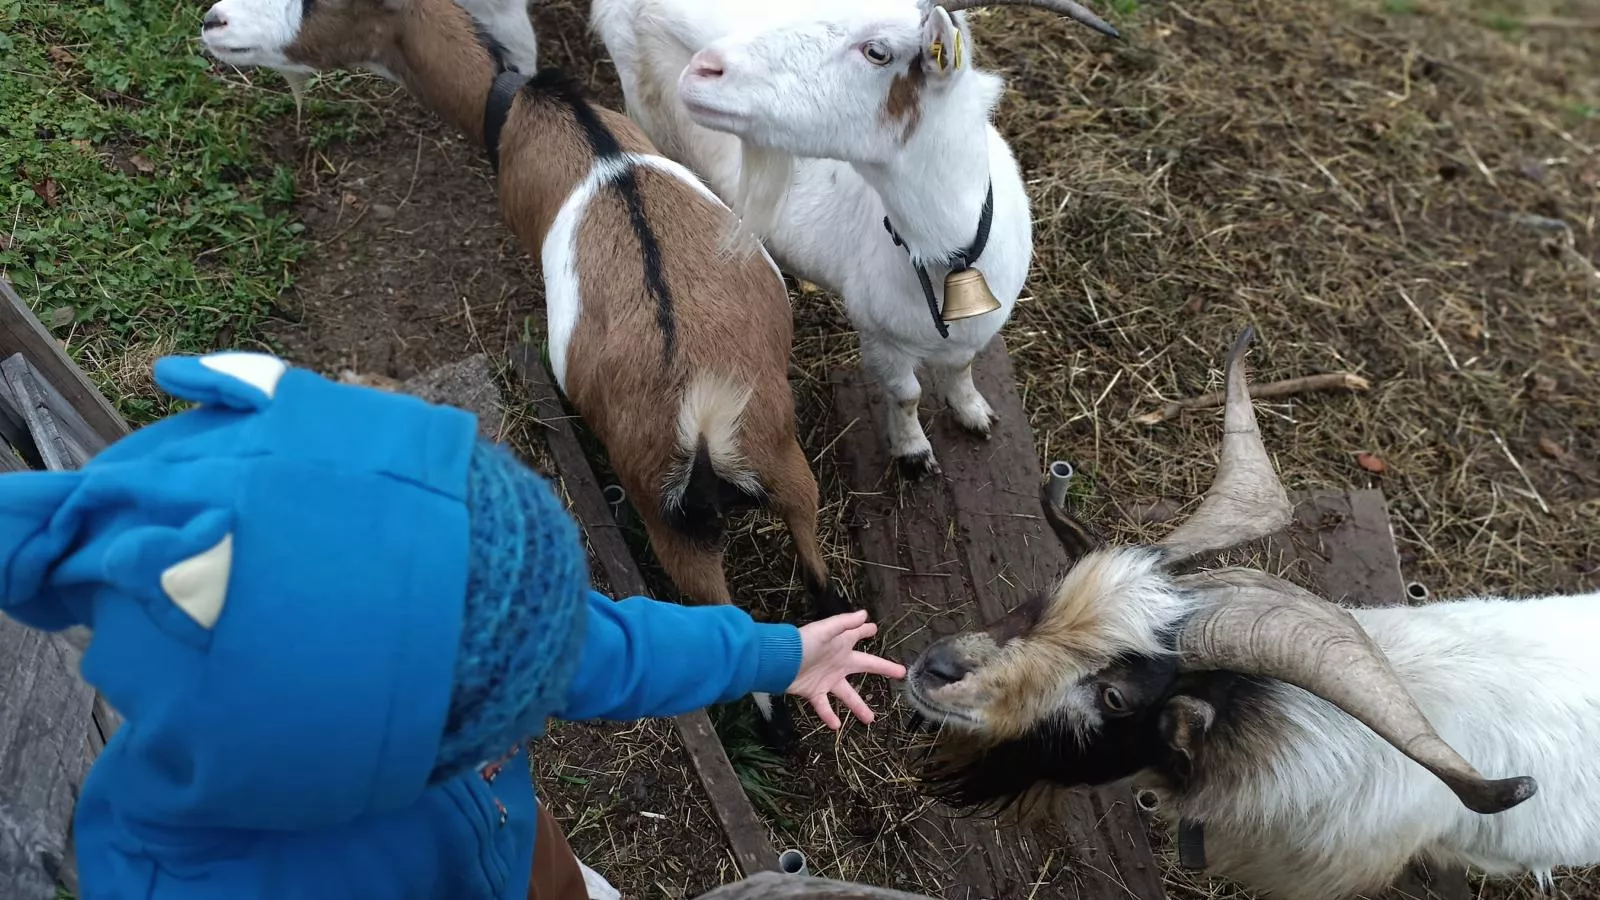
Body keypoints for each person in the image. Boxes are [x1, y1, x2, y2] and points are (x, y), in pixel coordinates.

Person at [0, 350, 907, 900]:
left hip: (515, 855)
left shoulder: (464, 630)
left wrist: (774, 653)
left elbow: (605, 649)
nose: (549, 699)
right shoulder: (186, 881)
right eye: (516, 717)